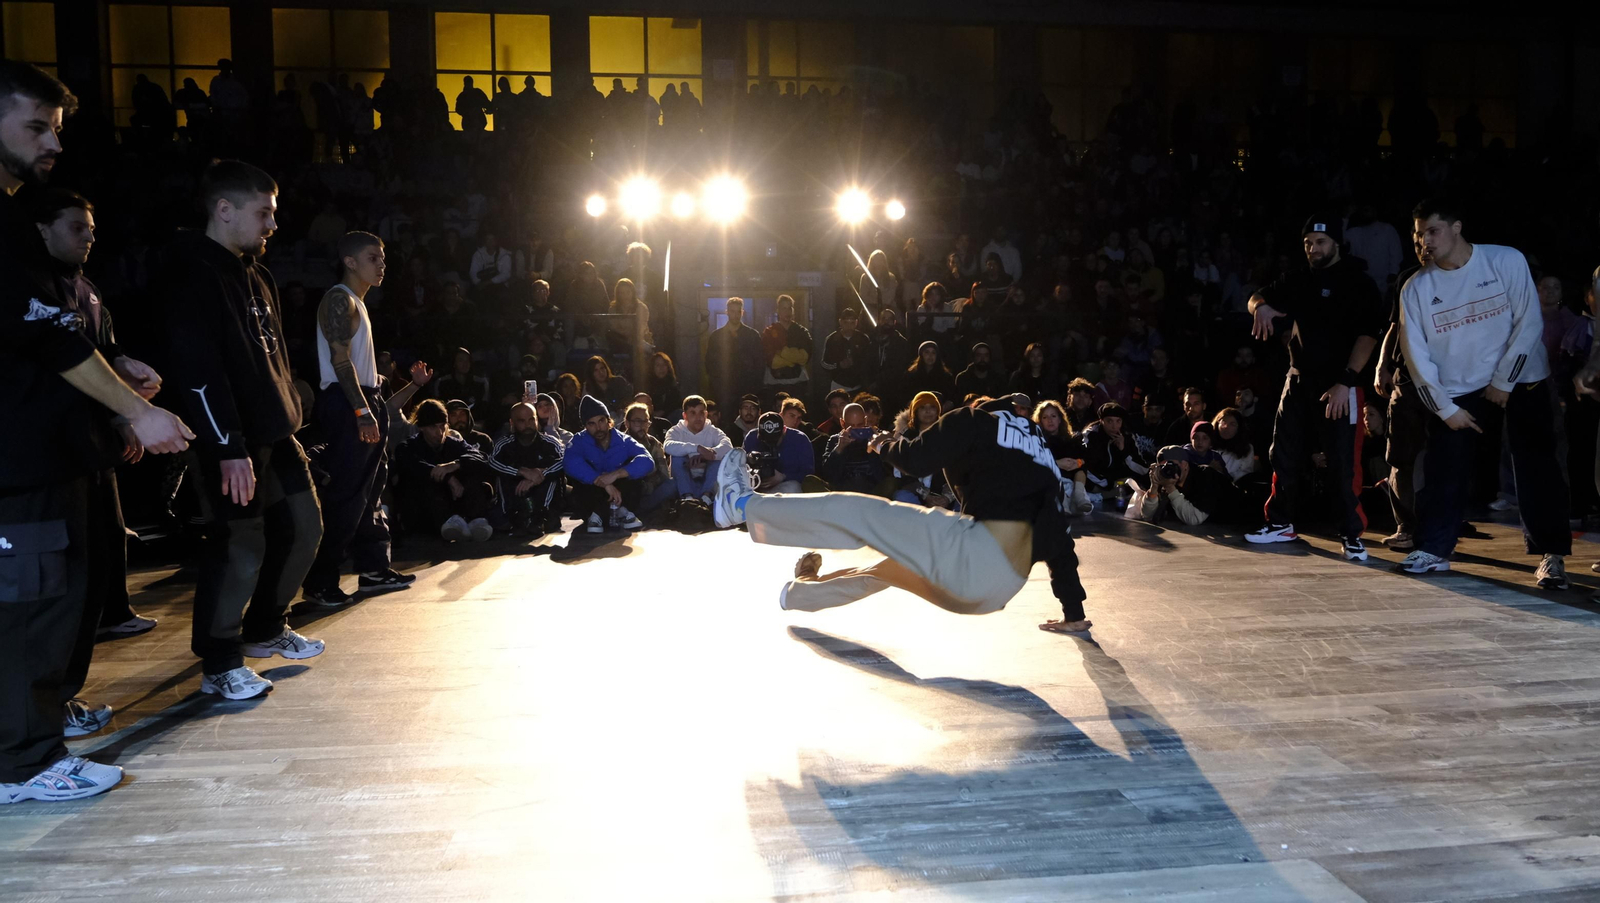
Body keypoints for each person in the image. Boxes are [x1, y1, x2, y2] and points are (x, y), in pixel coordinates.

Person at [2, 63, 192, 805]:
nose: (52, 142)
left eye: (57, 128)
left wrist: (115, 387)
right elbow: (48, 340)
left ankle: (32, 745)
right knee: (30, 612)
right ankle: (21, 764)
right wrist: (136, 411)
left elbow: (51, 338)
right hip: (16, 462)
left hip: (50, 451)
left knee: (58, 605)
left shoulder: (17, 221)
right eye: (35, 127)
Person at [159, 160, 326, 701]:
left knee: (305, 527)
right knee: (239, 545)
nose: (271, 225)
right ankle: (220, 660)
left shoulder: (256, 271)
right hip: (229, 440)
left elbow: (269, 359)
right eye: (263, 213)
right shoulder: (191, 272)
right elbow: (198, 371)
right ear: (224, 210)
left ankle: (264, 628)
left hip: (275, 433)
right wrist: (228, 446)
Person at [709, 397, 1090, 634]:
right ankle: (798, 592)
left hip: (975, 552)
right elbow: (1060, 544)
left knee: (862, 513)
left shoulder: (973, 421)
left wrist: (883, 442)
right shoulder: (1042, 461)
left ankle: (741, 504)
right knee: (883, 571)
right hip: (997, 589)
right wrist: (1073, 612)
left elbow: (915, 458)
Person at [1397, 199, 1570, 587]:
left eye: (1432, 231)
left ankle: (1550, 555)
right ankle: (1435, 550)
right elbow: (1415, 357)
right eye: (1417, 234)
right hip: (1460, 393)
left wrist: (1503, 382)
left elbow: (1529, 322)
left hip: (1522, 381)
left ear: (1457, 228)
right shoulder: (1416, 288)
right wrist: (1445, 409)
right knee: (1444, 470)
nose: (1423, 240)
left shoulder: (1505, 260)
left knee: (1537, 468)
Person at [29, 188, 161, 640]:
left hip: (96, 436)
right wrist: (129, 414)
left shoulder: (89, 290)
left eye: (91, 229)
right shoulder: (34, 289)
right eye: (76, 227)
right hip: (54, 444)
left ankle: (114, 611)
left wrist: (126, 373)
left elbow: (105, 353)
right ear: (43, 230)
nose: (88, 237)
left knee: (109, 532)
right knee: (72, 550)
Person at [1245, 214, 1384, 561]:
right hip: (1298, 380)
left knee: (1342, 463)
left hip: (1339, 384)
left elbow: (1368, 335)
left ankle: (1351, 534)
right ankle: (1280, 523)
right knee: (1284, 454)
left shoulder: (1358, 282)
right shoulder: (1300, 279)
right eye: (1307, 243)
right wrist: (1260, 308)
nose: (1313, 248)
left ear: (1336, 243)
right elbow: (1257, 296)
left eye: (1320, 242)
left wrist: (1346, 381)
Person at [300, 231, 414, 610]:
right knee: (346, 496)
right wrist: (362, 409)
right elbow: (339, 361)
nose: (381, 265)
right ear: (350, 261)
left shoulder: (357, 303)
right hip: (350, 403)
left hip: (366, 398)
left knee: (370, 492)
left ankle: (373, 570)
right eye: (373, 258)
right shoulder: (338, 299)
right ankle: (319, 583)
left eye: (382, 258)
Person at [396, 399, 496, 542]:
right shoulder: (408, 447)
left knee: (474, 478)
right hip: (426, 511)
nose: (440, 432)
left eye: (443, 426)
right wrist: (448, 477)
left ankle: (475, 521)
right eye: (433, 427)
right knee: (428, 481)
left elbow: (481, 457)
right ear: (422, 427)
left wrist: (455, 464)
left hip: (455, 502)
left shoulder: (453, 443)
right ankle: (451, 523)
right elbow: (415, 466)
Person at [564, 395, 655, 533]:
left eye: (601, 421)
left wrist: (616, 474)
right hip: (592, 497)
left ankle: (601, 514)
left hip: (621, 495)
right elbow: (570, 463)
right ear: (585, 426)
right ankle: (613, 513)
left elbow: (648, 461)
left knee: (632, 472)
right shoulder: (579, 441)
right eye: (591, 423)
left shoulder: (624, 440)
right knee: (582, 476)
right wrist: (604, 483)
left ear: (609, 421)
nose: (598, 427)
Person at [488, 402, 564, 536]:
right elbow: (492, 462)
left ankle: (541, 516)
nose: (528, 424)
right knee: (503, 474)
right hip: (515, 494)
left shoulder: (550, 443)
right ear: (512, 423)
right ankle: (511, 516)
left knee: (551, 474)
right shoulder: (505, 444)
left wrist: (539, 476)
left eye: (531, 419)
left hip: (543, 496)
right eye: (522, 421)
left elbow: (565, 462)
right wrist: (521, 471)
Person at [664, 394, 732, 503]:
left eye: (701, 413)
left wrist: (708, 454)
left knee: (718, 459)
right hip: (684, 482)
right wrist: (697, 448)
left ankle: (706, 498)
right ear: (685, 415)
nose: (698, 417)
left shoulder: (713, 431)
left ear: (706, 414)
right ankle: (687, 499)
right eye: (693, 413)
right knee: (677, 457)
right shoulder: (676, 431)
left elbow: (727, 446)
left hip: (707, 481)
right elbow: (668, 446)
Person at [819, 402, 893, 494]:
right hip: (843, 491)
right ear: (843, 423)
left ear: (865, 421)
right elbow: (828, 475)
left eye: (860, 425)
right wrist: (839, 449)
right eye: (851, 426)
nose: (856, 430)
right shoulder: (835, 440)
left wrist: (877, 444)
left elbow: (887, 471)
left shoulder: (877, 437)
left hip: (873, 490)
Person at [706, 297, 763, 410]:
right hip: (724, 389)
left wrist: (755, 387)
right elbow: (710, 363)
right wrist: (716, 385)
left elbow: (760, 363)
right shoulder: (716, 336)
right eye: (732, 311)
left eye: (738, 311)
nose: (736, 315)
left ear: (742, 312)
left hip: (747, 387)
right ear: (727, 312)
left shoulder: (752, 335)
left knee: (747, 420)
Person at [742, 411, 816, 494]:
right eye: (765, 440)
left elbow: (808, 472)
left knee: (792, 487)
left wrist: (784, 476)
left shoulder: (800, 439)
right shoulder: (751, 438)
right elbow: (740, 468)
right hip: (755, 489)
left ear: (784, 430)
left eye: (775, 440)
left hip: (785, 487)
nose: (770, 443)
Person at [622, 402, 675, 515]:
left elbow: (664, 474)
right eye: (637, 421)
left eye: (645, 421)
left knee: (672, 484)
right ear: (627, 423)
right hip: (627, 493)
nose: (642, 425)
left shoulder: (654, 443)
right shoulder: (619, 443)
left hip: (650, 493)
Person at [761, 293, 812, 399]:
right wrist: (794, 359)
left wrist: (782, 352)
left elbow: (805, 358)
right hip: (775, 383)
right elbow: (773, 362)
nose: (787, 312)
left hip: (798, 383)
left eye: (790, 308)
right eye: (784, 308)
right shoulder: (769, 332)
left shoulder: (801, 331)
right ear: (778, 310)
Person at [821, 307, 873, 394]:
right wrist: (839, 365)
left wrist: (856, 363)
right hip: (838, 385)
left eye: (852, 322)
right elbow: (824, 363)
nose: (849, 326)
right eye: (846, 322)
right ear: (840, 322)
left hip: (859, 385)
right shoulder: (832, 339)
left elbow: (870, 361)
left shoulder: (863, 339)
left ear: (856, 323)